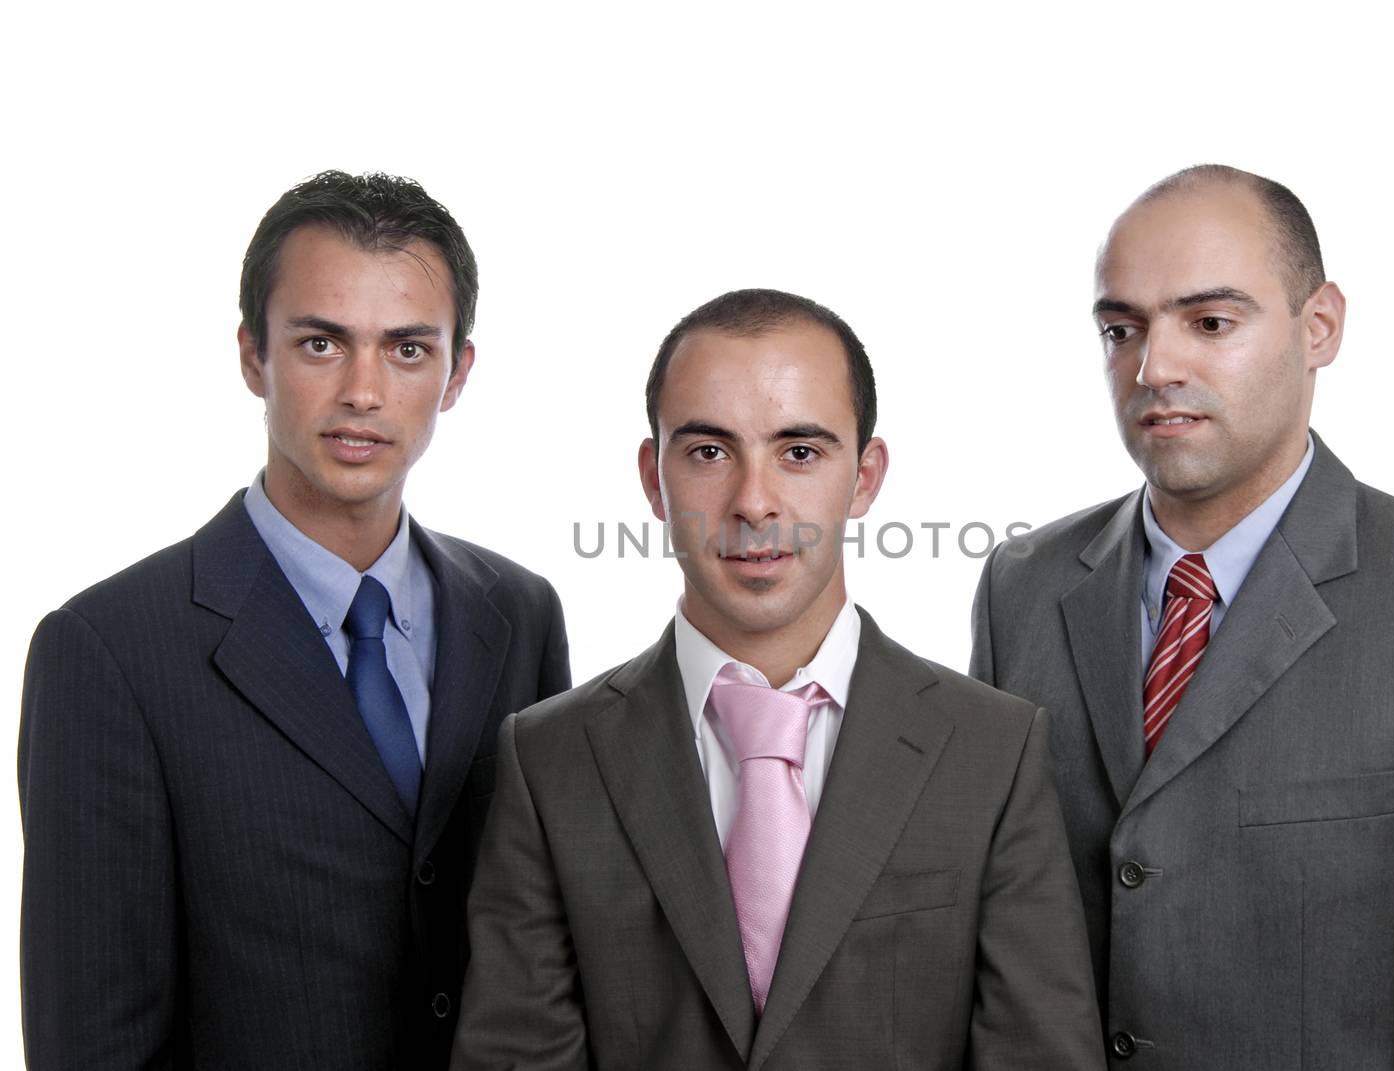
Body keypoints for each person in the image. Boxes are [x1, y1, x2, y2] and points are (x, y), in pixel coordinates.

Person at [971, 164, 1394, 1068]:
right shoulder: (1020, 588)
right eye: (1122, 329)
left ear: (1320, 327)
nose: (1155, 369)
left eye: (1211, 322)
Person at [452, 288, 1104, 1069]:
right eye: (708, 452)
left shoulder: (992, 749)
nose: (753, 502)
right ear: (653, 480)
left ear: (864, 477)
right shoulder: (550, 758)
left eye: (799, 452)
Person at [18, 170, 571, 1070]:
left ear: (457, 371)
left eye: (406, 349)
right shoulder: (110, 650)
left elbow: (550, 946)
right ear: (253, 355)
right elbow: (91, 1038)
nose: (363, 390)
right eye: (321, 344)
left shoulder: (517, 613)